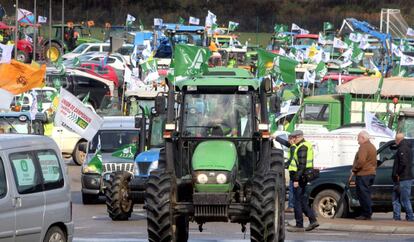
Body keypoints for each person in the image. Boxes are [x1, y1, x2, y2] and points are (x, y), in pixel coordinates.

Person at [286, 130, 318, 232]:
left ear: (298, 137)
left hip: (300, 178)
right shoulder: (302, 145)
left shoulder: (302, 147)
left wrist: (296, 179)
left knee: (297, 202)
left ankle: (299, 225)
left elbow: (301, 165)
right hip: (302, 177)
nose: (292, 140)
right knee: (302, 201)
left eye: (294, 138)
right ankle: (313, 221)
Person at [352, 130, 377, 220]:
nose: (357, 141)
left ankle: (366, 213)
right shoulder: (372, 146)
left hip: (364, 174)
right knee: (366, 193)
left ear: (363, 138)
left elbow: (361, 161)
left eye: (358, 138)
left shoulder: (364, 147)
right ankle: (367, 212)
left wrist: (354, 169)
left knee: (363, 194)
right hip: (371, 173)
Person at [392, 133, 414, 221]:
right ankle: (397, 216)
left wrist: (397, 173)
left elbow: (403, 163)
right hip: (403, 178)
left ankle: (410, 216)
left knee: (404, 199)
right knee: (395, 198)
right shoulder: (408, 147)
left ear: (397, 140)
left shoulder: (402, 148)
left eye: (395, 140)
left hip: (403, 178)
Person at [275, 134, 296, 212]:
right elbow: (285, 143)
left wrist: (284, 165)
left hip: (294, 171)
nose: (289, 141)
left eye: (290, 139)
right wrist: (276, 137)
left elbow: (291, 160)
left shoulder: (294, 148)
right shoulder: (293, 146)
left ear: (293, 139)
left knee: (292, 190)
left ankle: (291, 206)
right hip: (294, 171)